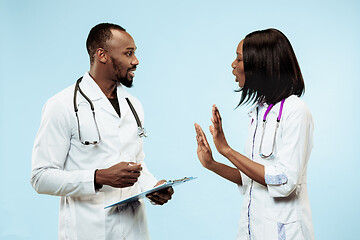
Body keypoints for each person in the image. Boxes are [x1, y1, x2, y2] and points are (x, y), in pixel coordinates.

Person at [31, 23, 173, 240]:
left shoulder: (133, 105)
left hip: (134, 230)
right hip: (88, 230)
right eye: (128, 53)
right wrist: (98, 177)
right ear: (102, 55)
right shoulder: (62, 105)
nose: (135, 61)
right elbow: (41, 177)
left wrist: (153, 186)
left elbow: (137, 166)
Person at [194, 28, 314, 240]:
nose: (233, 65)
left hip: (284, 232)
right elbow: (250, 178)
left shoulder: (296, 111)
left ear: (260, 64)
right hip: (252, 229)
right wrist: (211, 163)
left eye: (239, 59)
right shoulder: (259, 112)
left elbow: (285, 181)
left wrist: (227, 150)